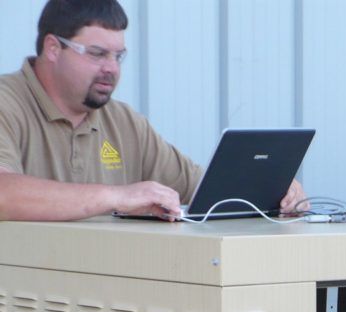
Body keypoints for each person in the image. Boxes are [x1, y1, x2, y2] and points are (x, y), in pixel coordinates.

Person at [0, 0, 305, 221]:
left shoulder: (124, 122)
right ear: (53, 48)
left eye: (119, 56)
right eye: (97, 54)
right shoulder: (8, 102)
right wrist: (118, 197)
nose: (111, 68)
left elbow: (201, 189)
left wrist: (269, 189)